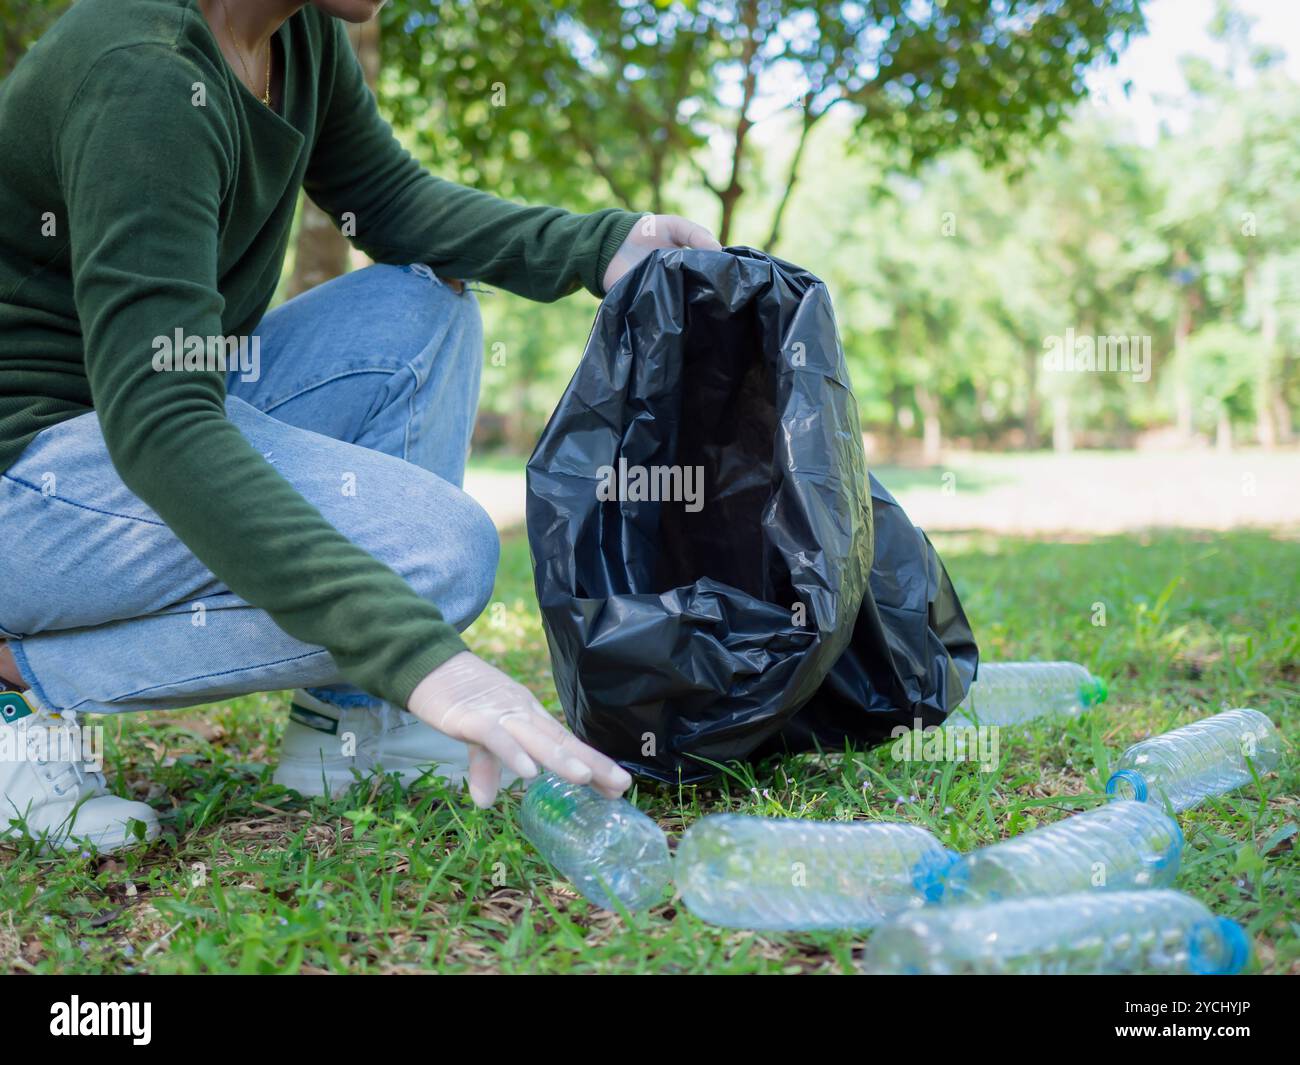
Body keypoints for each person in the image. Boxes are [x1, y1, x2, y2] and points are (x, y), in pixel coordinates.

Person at [0, 0, 722, 852]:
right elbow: (162, 420)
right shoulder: (146, 70)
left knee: (422, 303)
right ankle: (20, 684)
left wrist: (601, 245)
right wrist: (421, 658)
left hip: (129, 424)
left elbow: (388, 202)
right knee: (437, 553)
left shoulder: (296, 33)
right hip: (34, 472)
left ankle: (348, 725)